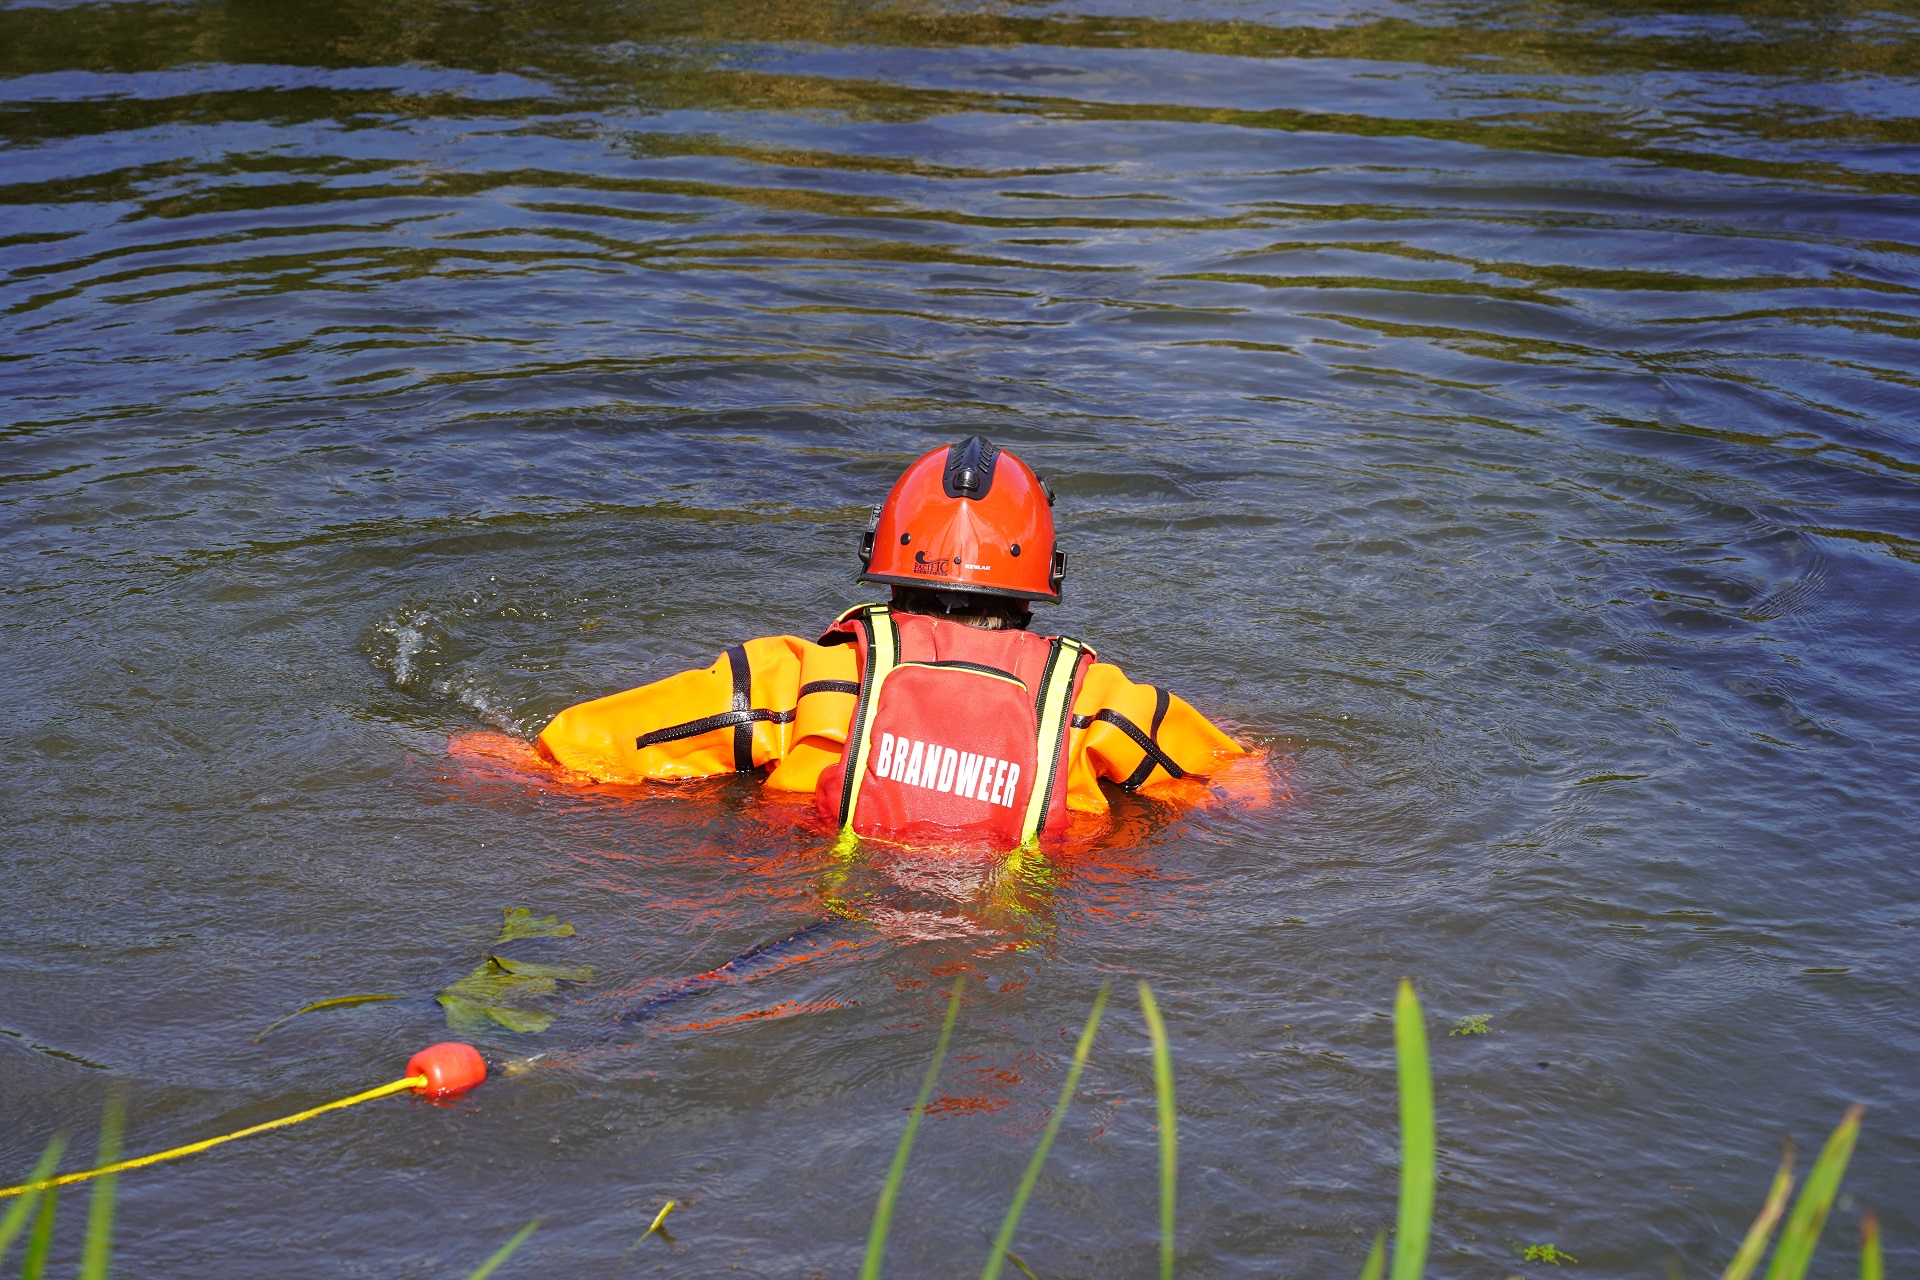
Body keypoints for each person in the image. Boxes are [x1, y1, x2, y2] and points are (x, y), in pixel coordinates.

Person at [531, 436, 1258, 848]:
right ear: (1043, 576)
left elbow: (572, 750)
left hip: (827, 921)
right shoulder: (1096, 704)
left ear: (882, 557)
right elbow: (1247, 789)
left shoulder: (804, 679)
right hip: (1017, 946)